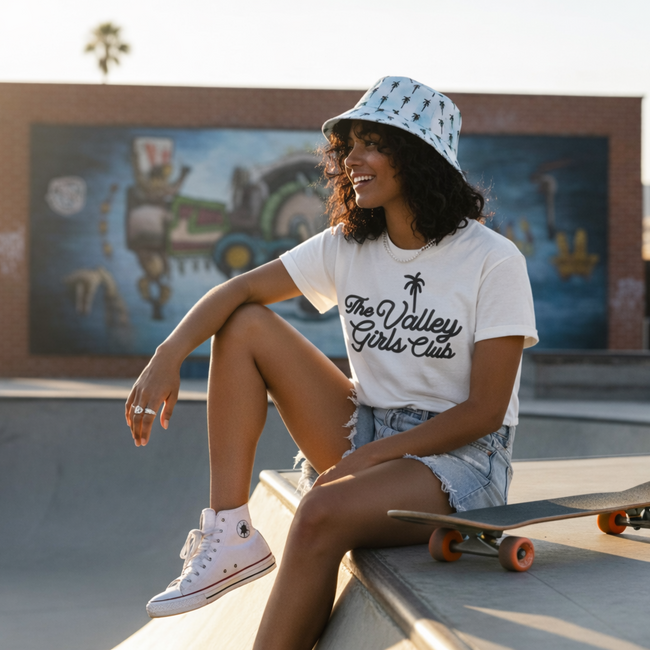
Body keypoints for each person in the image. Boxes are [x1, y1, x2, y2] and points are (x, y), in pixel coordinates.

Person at [125, 75, 538, 650]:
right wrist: (168, 354)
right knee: (243, 322)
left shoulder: (492, 260)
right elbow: (236, 290)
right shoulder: (348, 244)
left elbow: (486, 412)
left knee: (319, 512)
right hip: (368, 425)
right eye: (349, 147)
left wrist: (369, 458)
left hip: (461, 463)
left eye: (373, 144)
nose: (352, 160)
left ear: (417, 156)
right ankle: (230, 532)